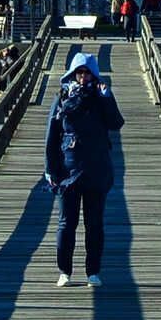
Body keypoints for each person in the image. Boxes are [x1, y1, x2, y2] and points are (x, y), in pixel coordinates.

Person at [44, 50, 124, 288]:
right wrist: (50, 169)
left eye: (87, 73)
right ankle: (64, 271)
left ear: (94, 75)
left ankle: (93, 272)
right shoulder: (62, 97)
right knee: (66, 223)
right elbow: (51, 135)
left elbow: (116, 123)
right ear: (72, 74)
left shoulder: (101, 97)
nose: (83, 77)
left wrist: (107, 98)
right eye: (79, 72)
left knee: (95, 224)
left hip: (96, 168)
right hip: (68, 169)